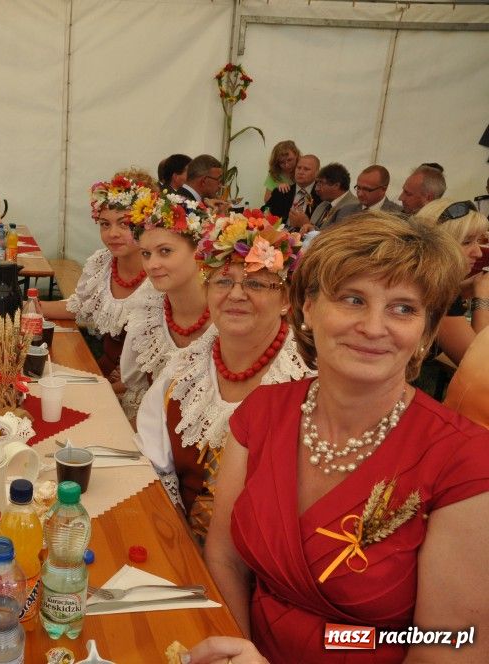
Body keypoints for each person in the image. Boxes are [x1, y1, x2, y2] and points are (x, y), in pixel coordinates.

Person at [205, 213, 489, 663]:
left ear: (426, 332)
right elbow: (224, 557)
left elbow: (452, 646)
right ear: (308, 308)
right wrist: (237, 646)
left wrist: (342, 642)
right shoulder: (263, 411)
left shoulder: (466, 461)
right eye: (353, 299)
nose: (375, 327)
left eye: (403, 308)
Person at [136, 210, 312, 543]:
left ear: (286, 299)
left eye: (256, 283)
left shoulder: (306, 382)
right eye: (223, 281)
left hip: (265, 564)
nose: (235, 294)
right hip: (177, 543)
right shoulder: (184, 371)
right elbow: (153, 466)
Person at [39, 172, 159, 384]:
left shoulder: (161, 276)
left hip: (143, 391)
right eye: (105, 224)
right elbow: (79, 306)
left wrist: (118, 388)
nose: (113, 233)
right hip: (103, 373)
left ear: (148, 223)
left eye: (124, 224)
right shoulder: (103, 263)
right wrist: (31, 307)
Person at [119, 193, 214, 423]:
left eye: (165, 251)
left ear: (199, 251)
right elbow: (133, 382)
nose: (152, 265)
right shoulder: (149, 302)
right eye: (146, 254)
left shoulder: (227, 309)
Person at [414, 198, 489, 366]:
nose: (478, 253)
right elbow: (479, 364)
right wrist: (483, 298)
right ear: (437, 243)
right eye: (467, 242)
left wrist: (464, 289)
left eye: (479, 240)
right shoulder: (437, 290)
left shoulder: (418, 275)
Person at [265, 154, 320, 226]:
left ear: (317, 173)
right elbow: (264, 210)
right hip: (281, 234)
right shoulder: (281, 191)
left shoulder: (322, 195)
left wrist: (307, 225)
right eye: (298, 168)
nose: (300, 172)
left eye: (306, 169)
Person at [303, 162, 359, 232]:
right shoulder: (323, 204)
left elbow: (336, 237)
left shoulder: (353, 207)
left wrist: (304, 223)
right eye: (317, 183)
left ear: (336, 185)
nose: (316, 189)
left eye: (321, 183)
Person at [262, 139, 300, 203]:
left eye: (290, 160)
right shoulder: (275, 174)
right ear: (276, 162)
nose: (287, 165)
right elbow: (267, 200)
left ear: (296, 155)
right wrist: (278, 191)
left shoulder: (304, 169)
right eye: (281, 162)